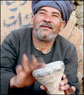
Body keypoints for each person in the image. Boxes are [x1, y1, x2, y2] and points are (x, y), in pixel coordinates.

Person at [1, 0, 80, 95]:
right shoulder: (14, 39)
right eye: (42, 13)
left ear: (62, 25)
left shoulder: (68, 50)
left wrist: (64, 91)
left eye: (54, 15)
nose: (47, 19)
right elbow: (2, 70)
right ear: (33, 19)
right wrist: (14, 81)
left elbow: (72, 87)